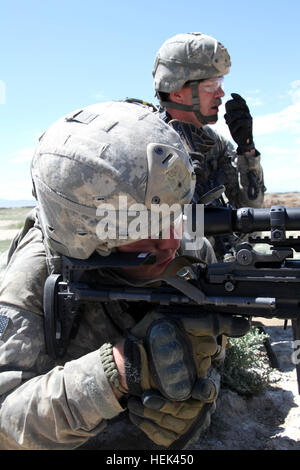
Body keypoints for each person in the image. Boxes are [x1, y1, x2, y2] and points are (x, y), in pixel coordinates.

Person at [0, 101, 249, 450]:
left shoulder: (189, 246)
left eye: (175, 216)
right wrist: (118, 371)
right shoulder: (37, 271)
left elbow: (214, 359)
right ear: (85, 236)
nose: (171, 242)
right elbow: (5, 423)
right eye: (141, 229)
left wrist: (196, 383)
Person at [152, 32, 266, 258]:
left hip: (223, 259)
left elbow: (249, 206)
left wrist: (247, 150)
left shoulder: (214, 143)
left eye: (220, 83)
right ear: (176, 91)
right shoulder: (149, 144)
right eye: (211, 85)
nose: (221, 93)